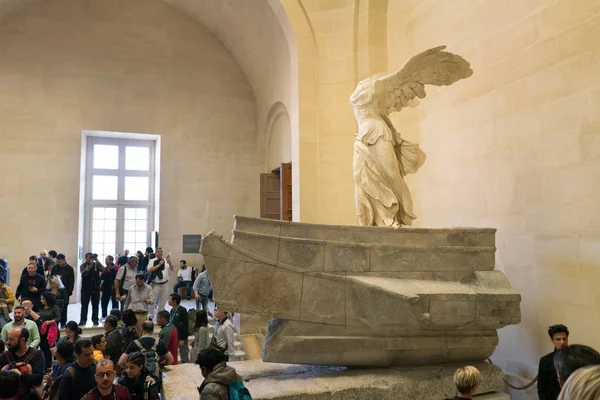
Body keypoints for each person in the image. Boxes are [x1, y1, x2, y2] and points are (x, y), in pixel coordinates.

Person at [0, 327, 45, 397]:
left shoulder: (37, 354)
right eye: (8, 339)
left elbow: (38, 378)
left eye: (11, 339)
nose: (7, 342)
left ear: (22, 340)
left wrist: (21, 375)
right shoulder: (4, 355)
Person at [538, 324, 570, 400]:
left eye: (564, 339)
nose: (562, 342)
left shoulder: (576, 357)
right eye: (558, 339)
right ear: (552, 340)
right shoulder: (545, 360)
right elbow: (541, 388)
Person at [34, 293, 61, 369]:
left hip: (52, 331)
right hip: (42, 331)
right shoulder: (41, 308)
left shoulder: (54, 307)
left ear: (47, 299)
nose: (41, 300)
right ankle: (45, 366)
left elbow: (58, 318)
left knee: (51, 349)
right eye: (41, 299)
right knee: (44, 349)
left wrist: (50, 321)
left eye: (43, 299)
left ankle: (52, 366)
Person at [80, 252, 104, 326]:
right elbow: (84, 274)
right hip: (85, 288)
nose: (89, 259)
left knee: (95, 304)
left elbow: (102, 269)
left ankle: (95, 319)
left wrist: (96, 260)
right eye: (88, 257)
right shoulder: (83, 265)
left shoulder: (96, 265)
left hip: (95, 287)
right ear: (85, 258)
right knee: (84, 305)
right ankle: (83, 320)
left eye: (91, 257)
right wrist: (90, 265)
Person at [147, 247, 173, 317]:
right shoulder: (152, 261)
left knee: (163, 301)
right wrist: (159, 265)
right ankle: (150, 317)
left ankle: (160, 316)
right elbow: (149, 270)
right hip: (155, 284)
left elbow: (172, 269)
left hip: (165, 284)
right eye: (158, 251)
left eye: (161, 251)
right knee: (153, 301)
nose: (160, 253)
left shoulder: (165, 260)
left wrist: (170, 263)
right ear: (155, 253)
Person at [54, 254, 75, 328]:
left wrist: (70, 291)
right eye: (57, 262)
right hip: (56, 291)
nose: (58, 263)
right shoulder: (55, 268)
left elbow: (71, 281)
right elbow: (52, 278)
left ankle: (63, 322)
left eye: (60, 262)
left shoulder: (69, 269)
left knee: (64, 307)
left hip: (65, 291)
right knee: (56, 307)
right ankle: (56, 322)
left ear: (64, 260)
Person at [168, 293, 189, 363]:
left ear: (174, 301)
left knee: (183, 353)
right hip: (174, 335)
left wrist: (183, 338)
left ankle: (186, 366)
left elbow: (185, 325)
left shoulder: (182, 310)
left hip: (181, 336)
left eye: (170, 299)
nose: (168, 301)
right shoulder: (172, 310)